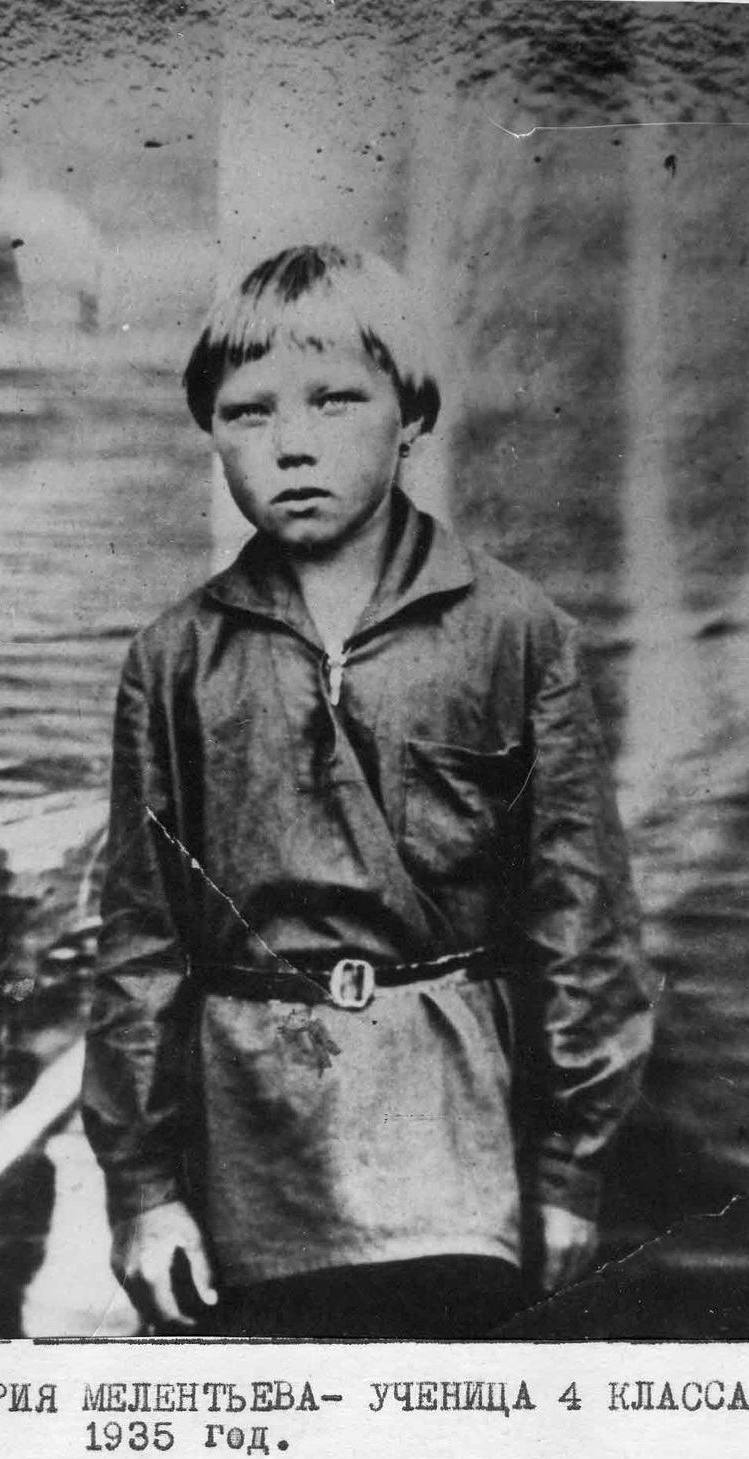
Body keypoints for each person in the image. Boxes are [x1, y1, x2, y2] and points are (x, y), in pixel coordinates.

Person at [82, 242, 653, 1339]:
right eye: (247, 412)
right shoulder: (174, 658)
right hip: (251, 1146)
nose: (291, 442)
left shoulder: (514, 632)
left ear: (412, 415)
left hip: (458, 1141)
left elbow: (581, 920)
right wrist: (144, 1190)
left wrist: (568, 1168)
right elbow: (141, 940)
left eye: (335, 399)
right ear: (211, 432)